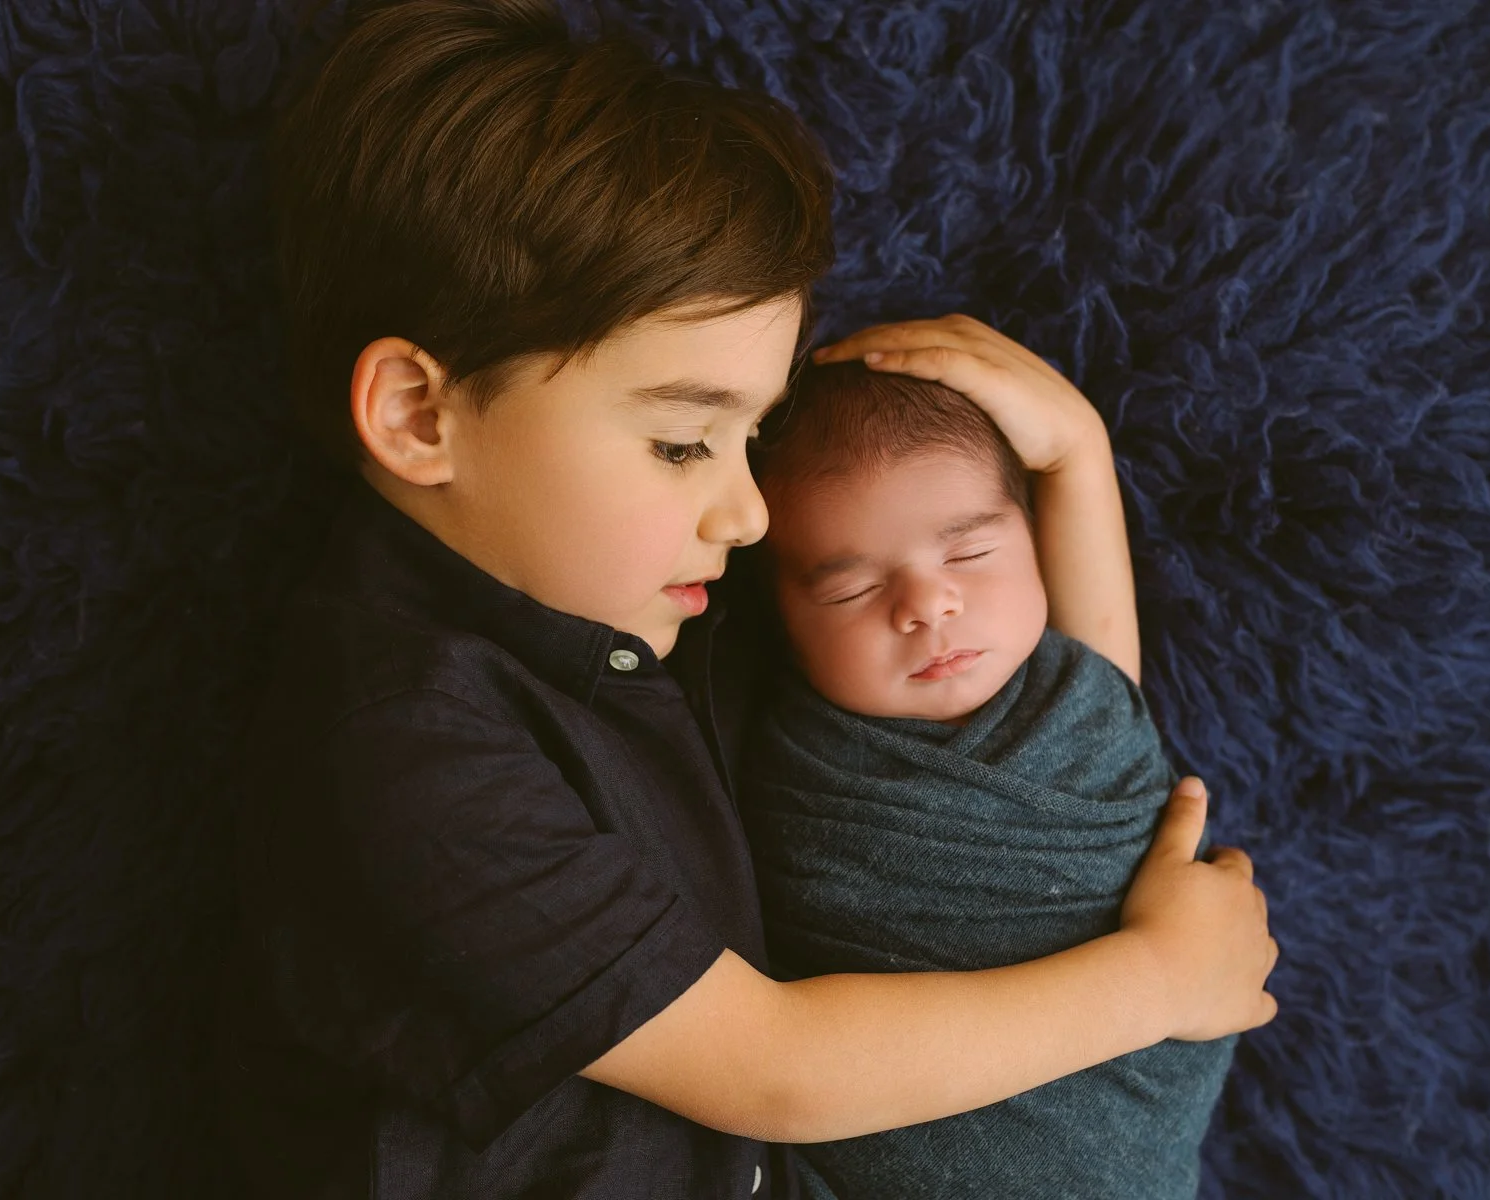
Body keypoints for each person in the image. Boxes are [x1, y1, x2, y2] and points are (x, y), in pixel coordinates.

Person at [214, 2, 1279, 1196]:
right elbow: (775, 1068)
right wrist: (1157, 983)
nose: (752, 512)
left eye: (753, 436)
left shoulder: (658, 607)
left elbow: (1049, 739)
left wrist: (1074, 463)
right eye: (682, 443)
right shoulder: (402, 748)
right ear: (421, 414)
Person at [740, 331, 1238, 1199]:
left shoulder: (1081, 700)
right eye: (851, 589)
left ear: (1035, 546)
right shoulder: (787, 763)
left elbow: (1103, 653)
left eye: (969, 553)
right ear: (779, 619)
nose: (927, 604)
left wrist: (1076, 449)